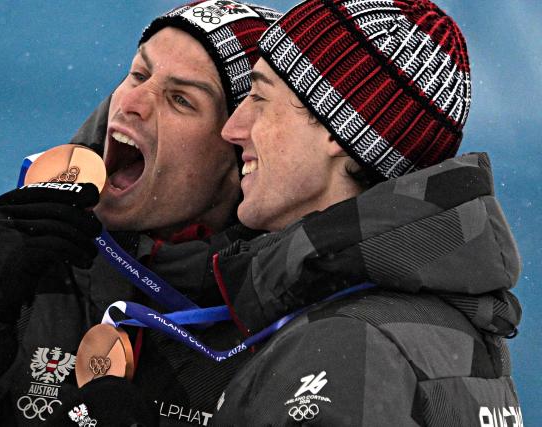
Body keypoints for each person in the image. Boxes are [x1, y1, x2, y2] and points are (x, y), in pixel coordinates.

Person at [0, 2, 281, 425]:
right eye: (138, 74)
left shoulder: (283, 332)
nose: (131, 102)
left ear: (238, 156)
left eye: (180, 100)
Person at [207, 0, 523, 425]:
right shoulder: (440, 325)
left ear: (335, 126)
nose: (233, 128)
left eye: (260, 98)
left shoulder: (347, 343)